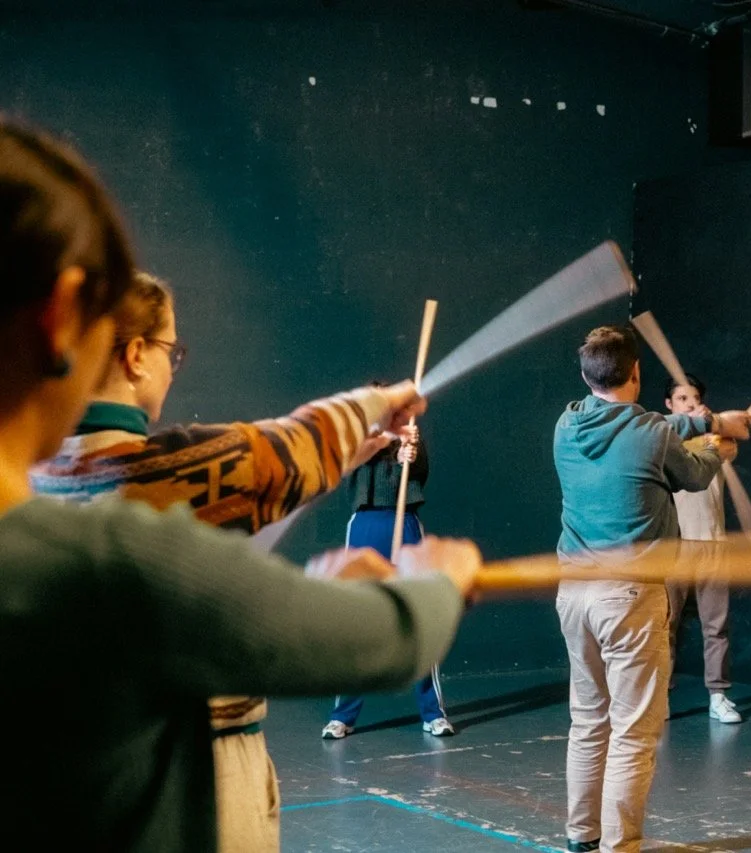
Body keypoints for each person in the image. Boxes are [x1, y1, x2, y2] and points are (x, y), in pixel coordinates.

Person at [0, 117, 478, 851]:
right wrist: (436, 582)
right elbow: (374, 637)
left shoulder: (47, 502)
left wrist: (372, 420)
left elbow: (276, 454)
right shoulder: (119, 549)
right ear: (65, 316)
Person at [30, 271, 429, 851]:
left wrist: (349, 452)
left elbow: (245, 487)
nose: (173, 366)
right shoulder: (163, 471)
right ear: (136, 354)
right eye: (173, 350)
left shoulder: (33, 477)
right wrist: (380, 403)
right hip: (195, 776)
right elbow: (275, 453)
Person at [553, 325, 751, 853]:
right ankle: (621, 847)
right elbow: (690, 471)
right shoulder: (653, 434)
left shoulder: (566, 424)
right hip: (629, 596)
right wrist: (717, 445)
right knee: (633, 733)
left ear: (584, 376)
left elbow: (658, 426)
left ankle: (582, 835)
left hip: (574, 594)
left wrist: (703, 419)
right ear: (637, 375)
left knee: (588, 721)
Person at [322, 418, 456, 739]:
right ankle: (343, 715)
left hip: (404, 523)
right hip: (365, 527)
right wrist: (388, 449)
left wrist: (411, 456)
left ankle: (433, 713)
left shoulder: (409, 438)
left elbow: (418, 474)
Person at [662, 374, 739, 724]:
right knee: (665, 626)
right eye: (682, 399)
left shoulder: (714, 437)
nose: (689, 404)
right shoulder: (663, 438)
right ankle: (659, 696)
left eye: (694, 398)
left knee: (716, 626)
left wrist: (718, 423)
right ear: (670, 405)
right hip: (674, 545)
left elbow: (731, 442)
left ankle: (718, 696)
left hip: (712, 543)